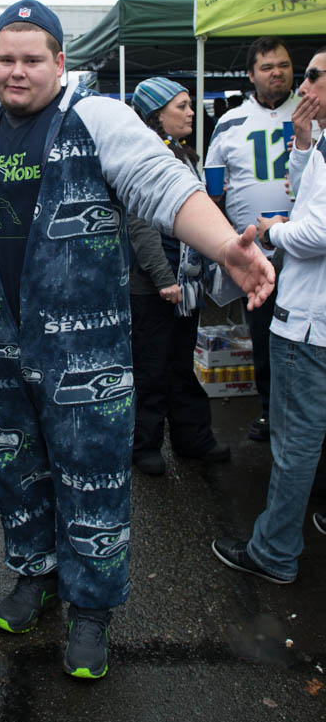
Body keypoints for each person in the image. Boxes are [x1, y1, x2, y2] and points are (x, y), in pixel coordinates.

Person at [0, 0, 274, 679]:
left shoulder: (95, 119)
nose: (17, 72)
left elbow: (165, 187)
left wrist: (230, 251)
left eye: (31, 58)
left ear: (60, 62)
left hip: (86, 353)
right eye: (5, 58)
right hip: (0, 352)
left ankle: (91, 611)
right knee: (16, 474)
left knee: (93, 482)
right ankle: (32, 575)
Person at [212, 46, 326, 584]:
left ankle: (275, 552)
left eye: (309, 75)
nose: (300, 85)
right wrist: (303, 144)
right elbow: (305, 195)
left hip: (308, 317)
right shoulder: (315, 139)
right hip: (300, 306)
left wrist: (276, 230)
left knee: (296, 439)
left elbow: (316, 229)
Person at [128, 78, 229, 476]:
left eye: (190, 105)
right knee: (152, 367)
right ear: (157, 116)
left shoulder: (185, 155)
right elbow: (140, 225)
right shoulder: (142, 156)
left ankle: (192, 439)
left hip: (186, 286)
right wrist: (163, 277)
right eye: (182, 106)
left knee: (181, 364)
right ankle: (145, 445)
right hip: (157, 286)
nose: (191, 113)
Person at [205, 37, 300, 443]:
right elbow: (212, 186)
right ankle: (268, 411)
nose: (276, 72)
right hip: (257, 254)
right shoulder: (230, 122)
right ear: (250, 75)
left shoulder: (311, 110)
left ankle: (306, 421)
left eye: (283, 65)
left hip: (309, 251)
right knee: (263, 338)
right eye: (267, 67)